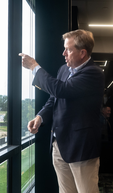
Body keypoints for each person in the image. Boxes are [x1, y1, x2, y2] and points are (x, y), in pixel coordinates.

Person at [19, 29, 104, 193]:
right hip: (59, 144)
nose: (63, 53)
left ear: (82, 53)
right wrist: (40, 117)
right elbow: (54, 98)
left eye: (69, 49)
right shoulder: (64, 70)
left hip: (81, 146)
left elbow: (62, 90)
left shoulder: (94, 73)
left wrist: (35, 68)